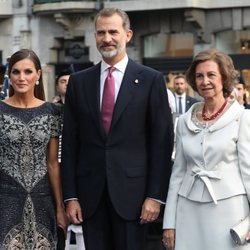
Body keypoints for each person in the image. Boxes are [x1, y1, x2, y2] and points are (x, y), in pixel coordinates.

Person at [61, 7, 174, 250]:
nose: (107, 38)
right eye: (101, 32)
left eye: (113, 31)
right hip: (90, 197)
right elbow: (70, 143)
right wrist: (70, 197)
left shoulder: (150, 79)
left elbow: (161, 143)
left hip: (134, 199)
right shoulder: (79, 83)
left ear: (128, 35)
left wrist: (155, 196)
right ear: (95, 37)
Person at [162, 49, 250, 250]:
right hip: (189, 210)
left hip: (230, 212)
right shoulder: (184, 121)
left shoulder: (242, 118)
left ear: (224, 78)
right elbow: (178, 174)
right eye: (199, 76)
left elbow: (249, 172)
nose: (205, 81)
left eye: (211, 75)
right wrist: (169, 223)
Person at [0, 49, 68, 249]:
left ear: (38, 75)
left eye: (28, 72)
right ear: (9, 76)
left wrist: (60, 208)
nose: (22, 78)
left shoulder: (52, 112)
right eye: (16, 72)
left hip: (43, 200)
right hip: (5, 199)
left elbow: (53, 163)